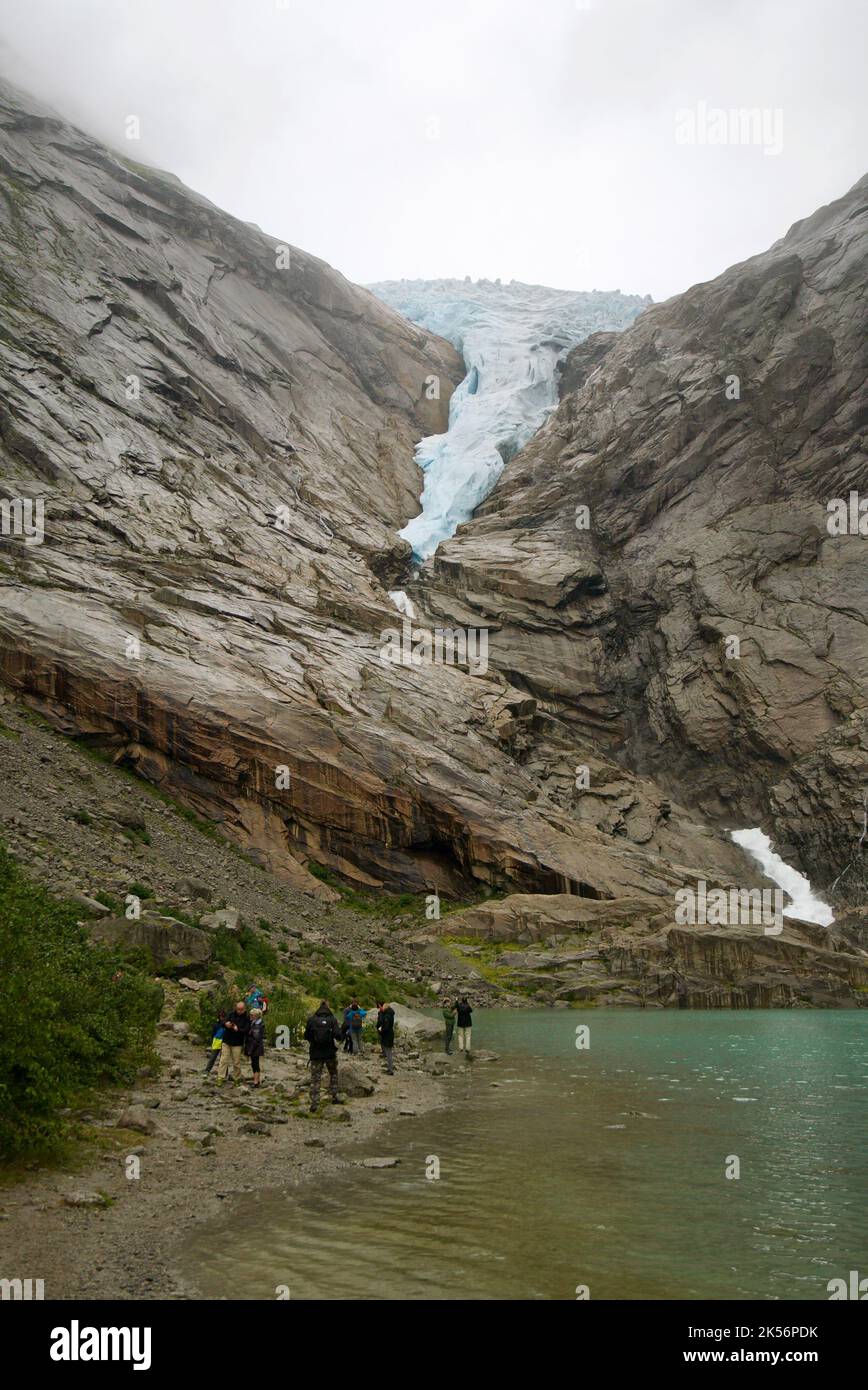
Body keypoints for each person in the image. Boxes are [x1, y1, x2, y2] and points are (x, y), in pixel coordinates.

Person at [304, 1000, 343, 1112]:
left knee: (315, 1077)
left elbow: (306, 1035)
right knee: (333, 1074)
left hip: (315, 1053)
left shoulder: (312, 1020)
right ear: (328, 1007)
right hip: (329, 1052)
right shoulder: (332, 1019)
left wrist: (314, 1042)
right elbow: (338, 1035)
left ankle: (314, 1103)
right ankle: (334, 1096)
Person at [216, 1000, 249, 1085]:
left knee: (236, 1062)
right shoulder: (231, 1014)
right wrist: (226, 1024)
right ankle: (220, 1077)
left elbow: (246, 1030)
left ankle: (237, 1079)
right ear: (236, 1008)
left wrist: (238, 1030)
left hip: (237, 1043)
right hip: (226, 1041)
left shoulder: (247, 1018)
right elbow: (223, 1022)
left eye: (241, 1009)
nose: (239, 1011)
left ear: (244, 1009)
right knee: (223, 1060)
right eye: (238, 1009)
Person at [245, 1006, 265, 1087]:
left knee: (255, 1064)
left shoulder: (257, 1025)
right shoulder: (254, 1023)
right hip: (254, 1047)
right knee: (254, 1064)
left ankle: (256, 1082)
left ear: (256, 1016)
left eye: (252, 1015)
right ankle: (256, 1080)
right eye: (250, 1015)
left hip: (255, 1048)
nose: (250, 1016)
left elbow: (256, 1039)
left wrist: (250, 1050)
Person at [204, 1010, 227, 1075]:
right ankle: (207, 1070)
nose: (222, 1018)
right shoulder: (216, 1025)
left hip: (224, 1043)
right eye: (221, 1016)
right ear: (219, 1017)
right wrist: (212, 1042)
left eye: (223, 1016)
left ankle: (224, 1073)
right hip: (216, 1042)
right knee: (213, 1057)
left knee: (223, 1059)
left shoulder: (227, 1024)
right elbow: (213, 1034)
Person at [376, 1001, 395, 1075]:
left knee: (388, 1054)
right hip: (389, 1035)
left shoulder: (387, 1016)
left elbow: (385, 1027)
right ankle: (389, 1069)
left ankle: (390, 1070)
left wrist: (380, 1030)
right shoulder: (390, 1014)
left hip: (387, 1035)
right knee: (388, 1053)